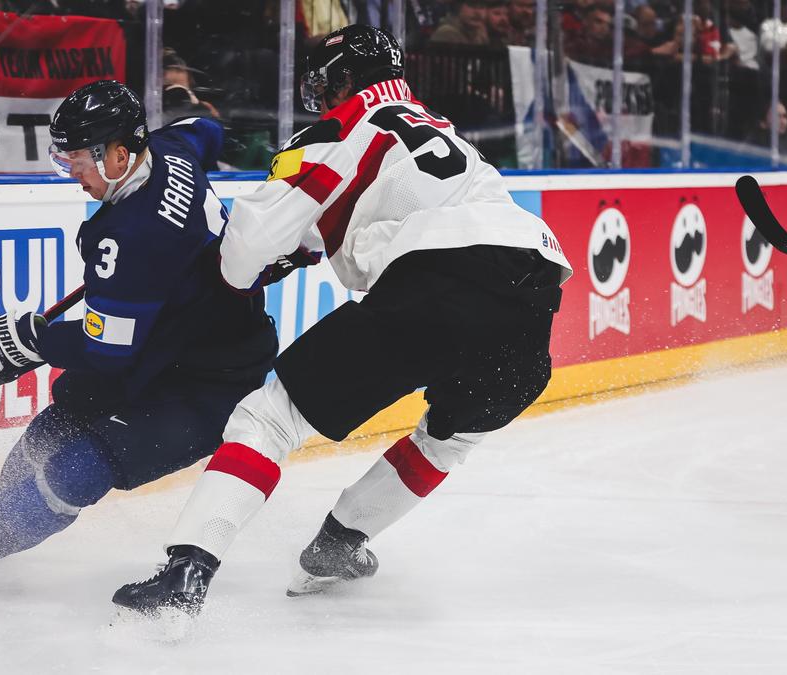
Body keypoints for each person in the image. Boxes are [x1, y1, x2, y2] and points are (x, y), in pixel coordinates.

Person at [112, 24, 572, 616]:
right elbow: (365, 214)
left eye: (325, 82)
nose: (321, 95)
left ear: (344, 78)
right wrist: (299, 247)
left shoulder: (339, 127)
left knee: (270, 417)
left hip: (439, 283)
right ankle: (338, 545)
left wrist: (238, 275)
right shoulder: (442, 129)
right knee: (453, 435)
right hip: (533, 292)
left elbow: (246, 250)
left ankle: (184, 576)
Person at [0, 80, 279, 601]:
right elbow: (206, 128)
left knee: (73, 473)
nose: (71, 174)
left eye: (77, 160)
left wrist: (33, 340)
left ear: (120, 154)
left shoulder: (128, 236)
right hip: (159, 346)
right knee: (47, 438)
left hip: (210, 382)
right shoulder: (173, 147)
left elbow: (107, 348)